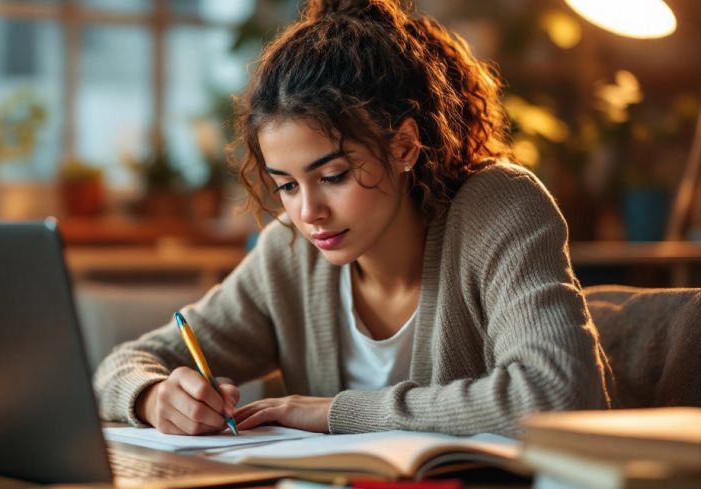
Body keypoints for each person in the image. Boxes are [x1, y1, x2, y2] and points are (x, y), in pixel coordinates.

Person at [93, 0, 611, 437]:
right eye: (287, 185)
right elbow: (120, 367)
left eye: (334, 175)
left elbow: (558, 392)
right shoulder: (289, 253)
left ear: (404, 145)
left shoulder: (499, 208)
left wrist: (335, 413)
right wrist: (154, 397)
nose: (308, 213)